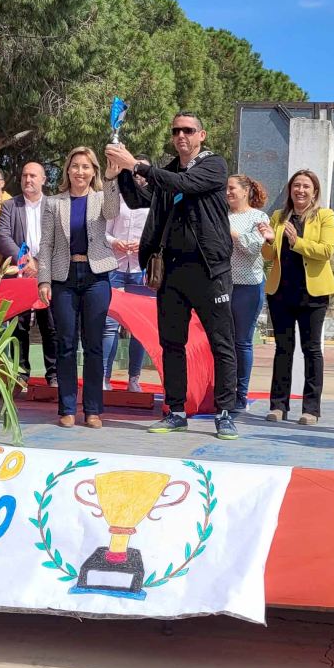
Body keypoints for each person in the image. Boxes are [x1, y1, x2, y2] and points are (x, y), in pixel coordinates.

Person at [105, 111, 239, 440]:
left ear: (201, 135)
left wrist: (137, 165)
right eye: (176, 130)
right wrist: (123, 172)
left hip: (210, 271)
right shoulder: (168, 172)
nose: (181, 135)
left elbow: (186, 185)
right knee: (171, 344)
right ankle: (175, 411)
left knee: (222, 343)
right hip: (172, 271)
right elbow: (138, 198)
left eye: (188, 130)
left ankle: (225, 412)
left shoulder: (214, 165)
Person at [37, 147, 121, 428]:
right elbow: (46, 244)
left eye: (86, 166)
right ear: (67, 170)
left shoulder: (101, 197)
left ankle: (93, 410)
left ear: (93, 171)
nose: (80, 172)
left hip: (96, 276)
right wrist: (44, 279)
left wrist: (111, 179)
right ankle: (67, 408)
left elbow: (113, 211)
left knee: (94, 344)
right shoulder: (53, 203)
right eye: (75, 166)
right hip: (64, 277)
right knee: (66, 343)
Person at [259, 170, 334, 424]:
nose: (300, 190)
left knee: (312, 350)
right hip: (281, 293)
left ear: (314, 192)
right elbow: (268, 256)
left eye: (306, 186)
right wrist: (268, 240)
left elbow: (326, 251)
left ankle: (311, 409)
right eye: (296, 186)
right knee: (283, 349)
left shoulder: (325, 216)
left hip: (313, 295)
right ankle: (278, 406)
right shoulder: (278, 217)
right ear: (290, 190)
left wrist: (297, 242)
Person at [0, 160, 58, 387]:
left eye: (33, 176)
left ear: (43, 180)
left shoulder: (54, 205)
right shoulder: (9, 206)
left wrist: (39, 263)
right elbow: (2, 237)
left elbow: (62, 238)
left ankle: (54, 375)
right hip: (18, 276)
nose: (28, 179)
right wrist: (25, 261)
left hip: (47, 274)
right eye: (24, 175)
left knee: (50, 326)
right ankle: (20, 374)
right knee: (18, 327)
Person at [101, 159, 152, 393]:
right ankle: (104, 377)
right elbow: (103, 232)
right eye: (134, 170)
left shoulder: (154, 202)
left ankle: (134, 378)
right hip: (115, 268)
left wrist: (144, 244)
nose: (138, 175)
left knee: (139, 328)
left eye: (143, 171)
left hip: (142, 271)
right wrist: (115, 242)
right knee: (109, 324)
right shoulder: (116, 198)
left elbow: (159, 234)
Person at [225, 174, 270, 413]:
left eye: (232, 188)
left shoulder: (258, 217)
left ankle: (240, 394)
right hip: (222, 285)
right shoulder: (221, 215)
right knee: (223, 342)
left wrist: (230, 232)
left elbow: (253, 248)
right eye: (226, 188)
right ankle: (223, 390)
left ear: (245, 191)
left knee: (241, 341)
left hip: (248, 286)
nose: (228, 192)